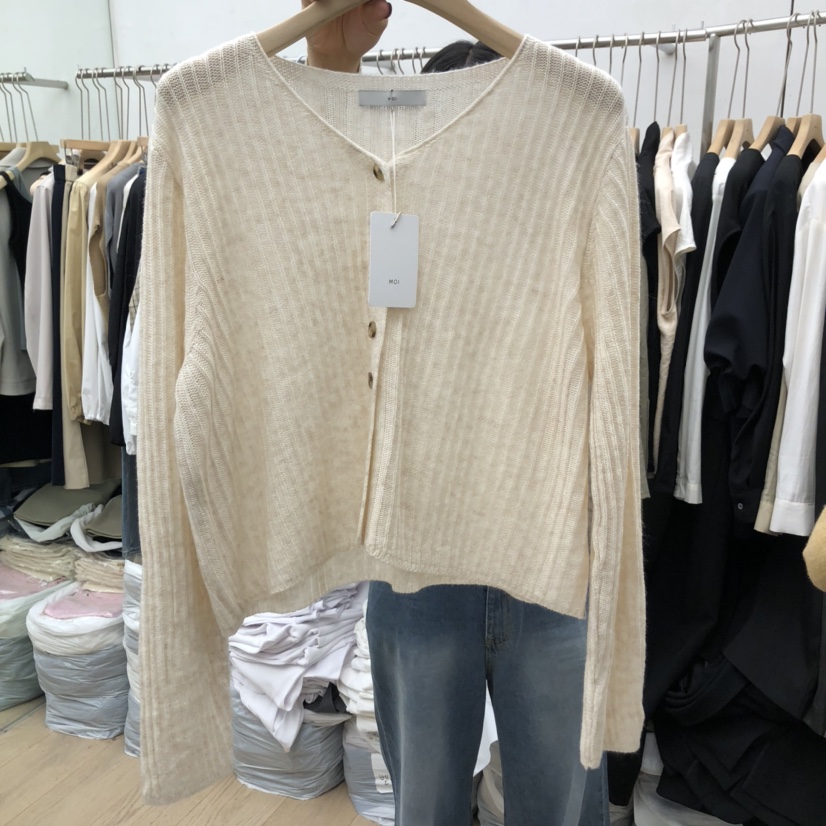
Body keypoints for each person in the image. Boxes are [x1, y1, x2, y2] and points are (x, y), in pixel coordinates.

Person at [305, 3, 609, 823]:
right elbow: (318, 216)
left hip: (553, 554)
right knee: (428, 805)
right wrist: (330, 62)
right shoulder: (384, 224)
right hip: (416, 559)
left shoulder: (572, 213)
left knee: (561, 806)